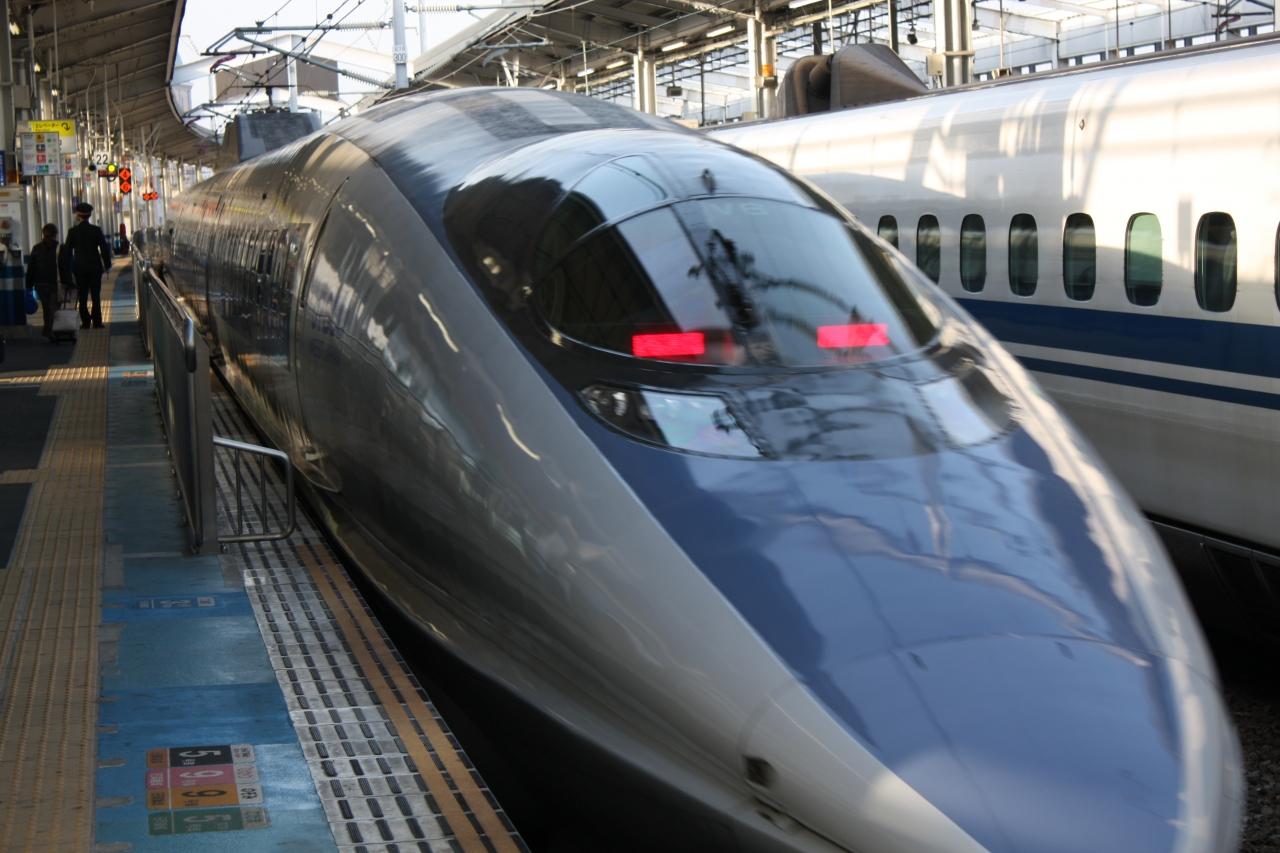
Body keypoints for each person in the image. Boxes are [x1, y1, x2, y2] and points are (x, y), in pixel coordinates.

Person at [60, 202, 113, 329]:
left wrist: (67, 270)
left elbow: (67, 252)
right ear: (89, 215)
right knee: (95, 296)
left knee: (82, 297)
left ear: (78, 215)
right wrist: (107, 265)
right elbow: (104, 249)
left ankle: (85, 322)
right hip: (95, 268)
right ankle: (97, 322)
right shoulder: (96, 230)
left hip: (79, 268)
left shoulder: (72, 232)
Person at [25, 223, 62, 341]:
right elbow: (31, 268)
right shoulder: (58, 248)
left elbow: (31, 268)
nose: (48, 238)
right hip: (48, 284)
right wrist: (29, 285)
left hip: (47, 284)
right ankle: (51, 331)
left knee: (49, 308)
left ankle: (49, 330)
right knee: (50, 308)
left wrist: (29, 284)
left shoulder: (38, 248)